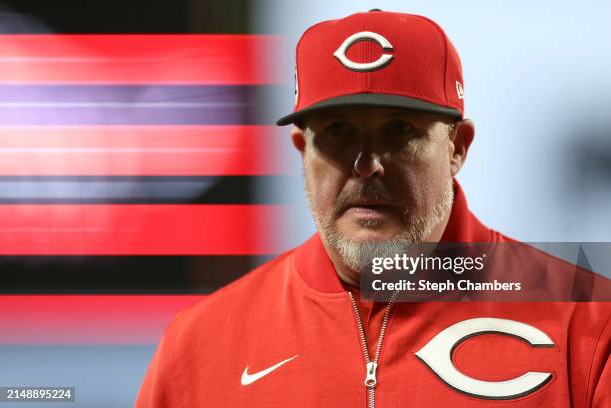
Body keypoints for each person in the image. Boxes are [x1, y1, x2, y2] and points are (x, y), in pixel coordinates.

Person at [135, 10, 610, 407]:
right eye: (338, 132)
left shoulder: (586, 322)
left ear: (457, 148)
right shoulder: (200, 342)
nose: (366, 166)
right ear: (302, 150)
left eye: (399, 130)